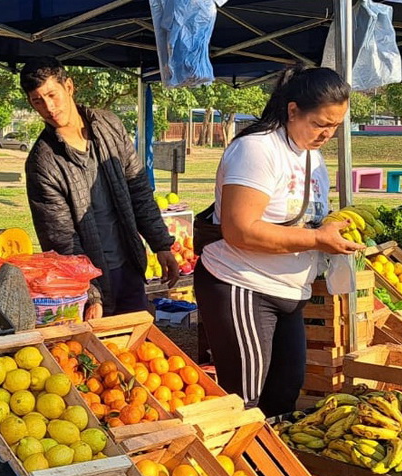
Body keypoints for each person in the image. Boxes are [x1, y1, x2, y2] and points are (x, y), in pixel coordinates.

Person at [193, 66, 363, 417]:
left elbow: (307, 218)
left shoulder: (312, 157)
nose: (327, 134)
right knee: (246, 401)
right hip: (243, 284)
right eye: (320, 124)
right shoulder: (257, 150)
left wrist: (332, 232)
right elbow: (240, 230)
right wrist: (316, 238)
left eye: (335, 126)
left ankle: (269, 467)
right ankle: (238, 470)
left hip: (290, 291)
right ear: (292, 110)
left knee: (285, 393)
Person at [19, 57, 178, 319]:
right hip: (89, 278)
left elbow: (138, 189)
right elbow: (61, 239)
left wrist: (161, 244)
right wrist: (89, 292)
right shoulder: (42, 163)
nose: (48, 107)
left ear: (69, 87)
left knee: (138, 348)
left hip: (129, 264)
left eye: (52, 95)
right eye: (38, 101)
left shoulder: (109, 125)